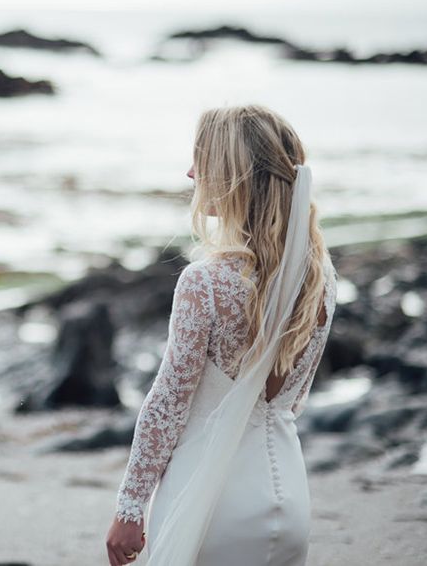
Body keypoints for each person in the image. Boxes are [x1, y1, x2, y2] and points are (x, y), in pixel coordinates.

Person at [105, 104, 338, 566]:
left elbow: (168, 402)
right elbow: (293, 400)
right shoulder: (322, 280)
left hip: (212, 499)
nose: (191, 173)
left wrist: (130, 507)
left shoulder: (206, 282)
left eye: (202, 160)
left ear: (234, 174)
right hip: (289, 495)